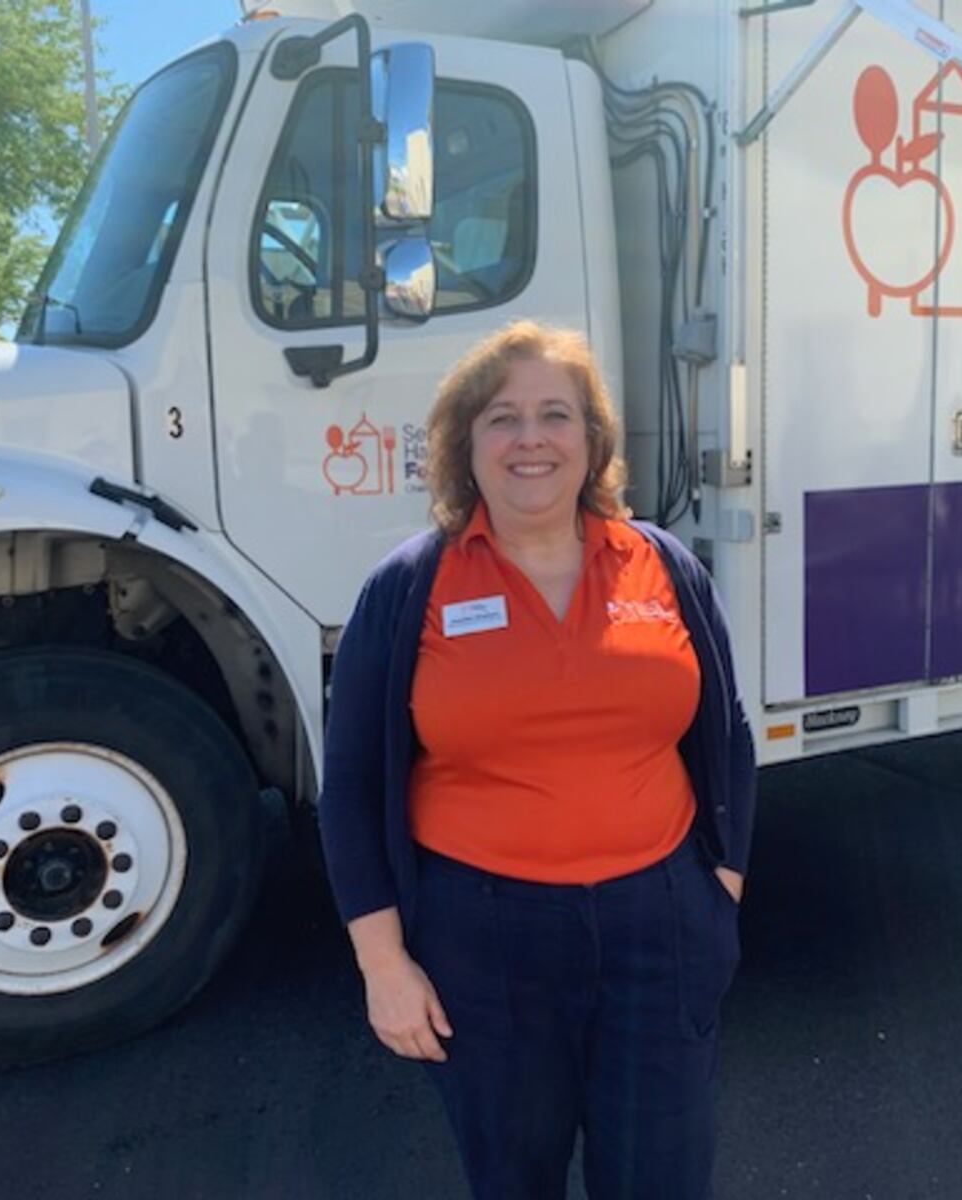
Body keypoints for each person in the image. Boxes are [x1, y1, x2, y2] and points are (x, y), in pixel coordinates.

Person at [317, 319, 756, 1200]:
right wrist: (384, 967)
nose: (531, 440)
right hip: (482, 940)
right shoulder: (410, 585)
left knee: (662, 1181)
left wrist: (720, 896)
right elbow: (354, 788)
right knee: (514, 1180)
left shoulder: (662, 566)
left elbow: (729, 739)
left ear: (592, 441)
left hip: (659, 923)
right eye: (501, 418)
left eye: (556, 415)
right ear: (463, 443)